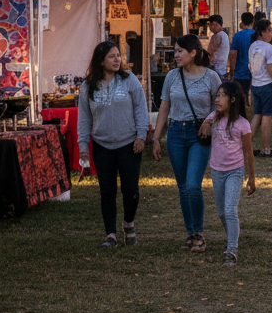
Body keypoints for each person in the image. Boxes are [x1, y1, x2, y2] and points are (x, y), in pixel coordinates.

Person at [152, 34, 222, 253]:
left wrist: (209, 122)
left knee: (193, 185)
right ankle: (191, 233)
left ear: (193, 53)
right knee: (183, 188)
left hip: (198, 134)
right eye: (175, 51)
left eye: (180, 51)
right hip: (175, 133)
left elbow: (220, 107)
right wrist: (156, 137)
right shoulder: (172, 76)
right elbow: (164, 107)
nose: (176, 55)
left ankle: (199, 232)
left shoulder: (211, 77)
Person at [77, 41, 150, 249]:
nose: (117, 59)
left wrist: (141, 136)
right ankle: (111, 234)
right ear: (100, 61)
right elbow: (84, 118)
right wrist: (83, 145)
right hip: (102, 146)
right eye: (111, 56)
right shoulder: (88, 86)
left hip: (129, 144)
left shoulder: (130, 80)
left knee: (131, 191)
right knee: (107, 191)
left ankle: (129, 223)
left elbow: (141, 109)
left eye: (118, 55)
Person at [199, 82, 256, 265]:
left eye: (222, 96)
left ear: (232, 100)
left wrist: (251, 178)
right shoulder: (213, 117)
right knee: (222, 212)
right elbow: (203, 128)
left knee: (230, 210)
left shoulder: (243, 124)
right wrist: (207, 123)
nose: (217, 99)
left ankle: (231, 250)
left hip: (235, 171)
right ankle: (233, 236)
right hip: (217, 171)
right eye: (216, 95)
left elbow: (248, 152)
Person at [248, 19, 272, 158]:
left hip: (256, 84)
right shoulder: (268, 48)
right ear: (262, 32)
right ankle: (266, 148)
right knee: (267, 116)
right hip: (268, 84)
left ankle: (245, 145)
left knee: (257, 114)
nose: (271, 33)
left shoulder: (252, 46)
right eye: (269, 30)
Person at [228, 12, 256, 104]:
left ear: (242, 22)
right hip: (255, 72)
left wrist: (232, 71)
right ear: (253, 22)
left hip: (240, 72)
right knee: (253, 99)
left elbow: (233, 55)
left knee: (240, 98)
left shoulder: (237, 36)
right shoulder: (257, 36)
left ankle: (242, 115)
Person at [205, 15, 230, 79]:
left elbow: (210, 53)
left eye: (213, 25)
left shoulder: (218, 35)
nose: (211, 27)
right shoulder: (223, 35)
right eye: (210, 25)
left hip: (215, 69)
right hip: (221, 70)